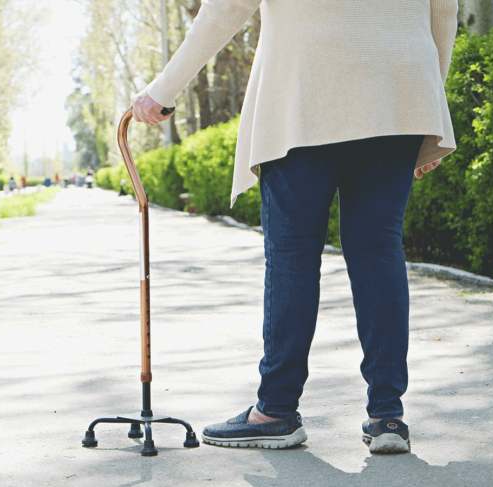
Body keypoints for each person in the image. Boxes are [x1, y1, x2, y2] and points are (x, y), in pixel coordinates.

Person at [132, 0, 458, 453]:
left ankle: (276, 410)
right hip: (400, 88)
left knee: (292, 254)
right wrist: (426, 107)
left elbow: (226, 8)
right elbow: (444, 10)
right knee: (378, 248)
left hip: (308, 85)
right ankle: (387, 416)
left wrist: (162, 90)